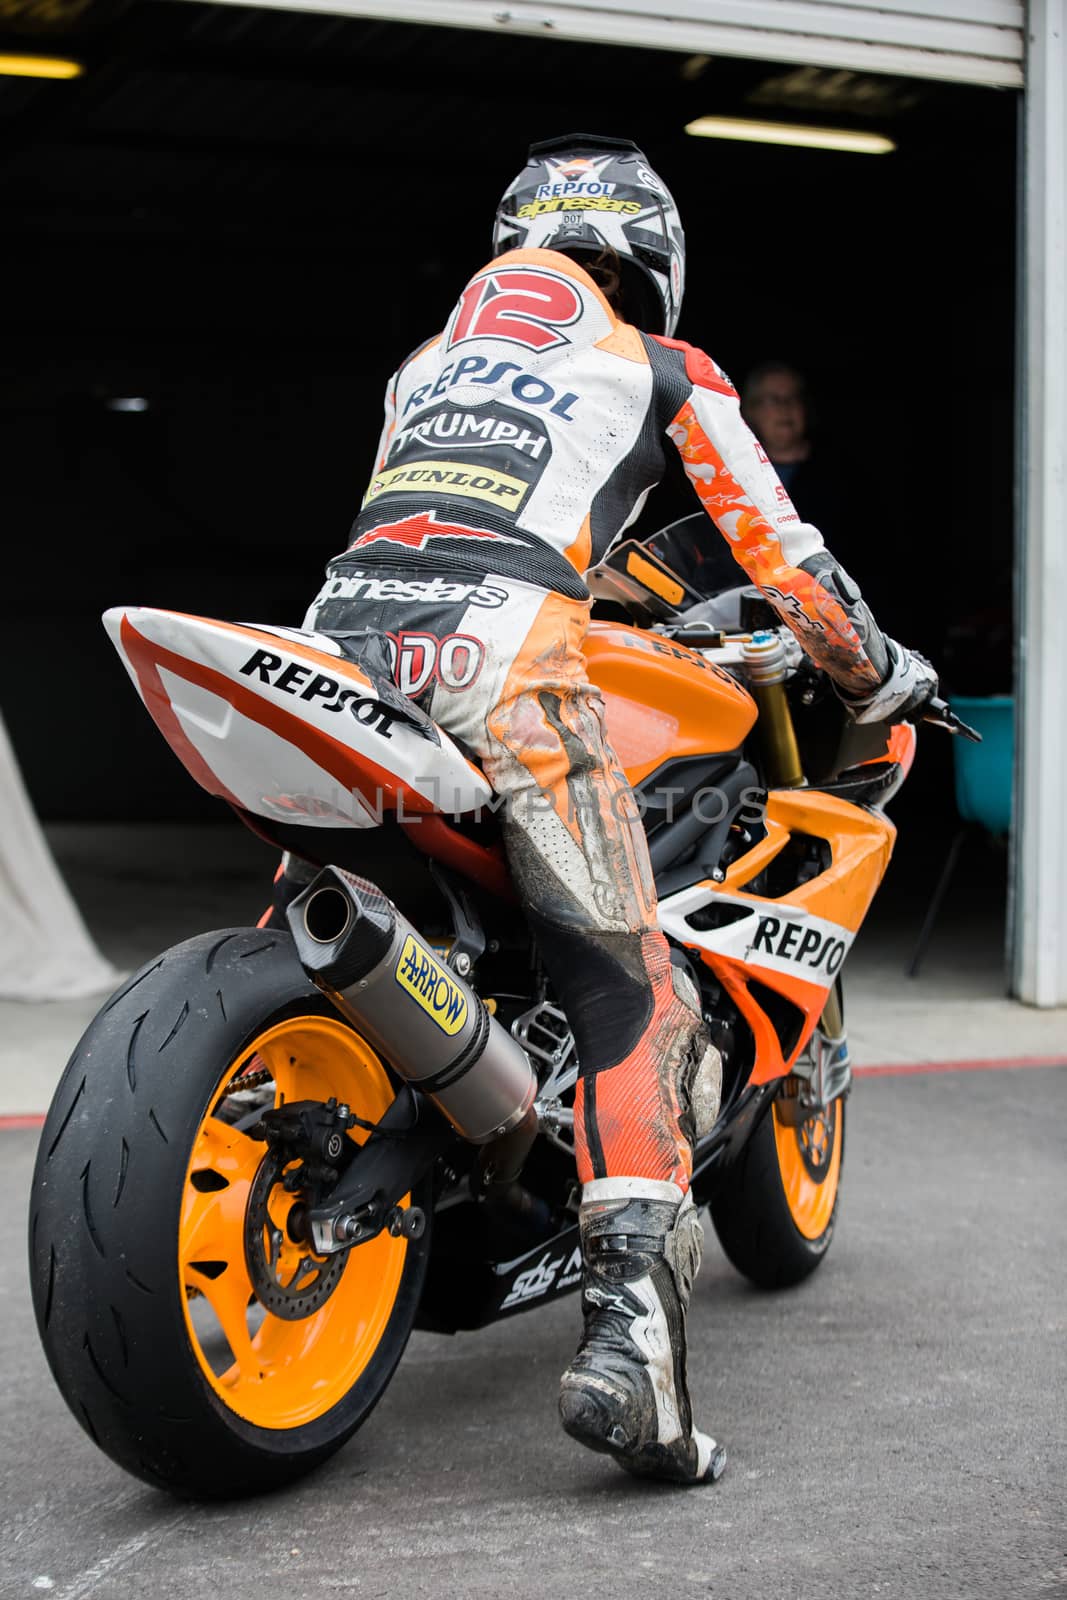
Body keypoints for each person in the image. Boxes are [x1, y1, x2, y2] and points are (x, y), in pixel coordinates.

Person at [275, 134, 938, 1486]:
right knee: (630, 982)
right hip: (504, 662)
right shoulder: (663, 368)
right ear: (651, 264)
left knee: (323, 892)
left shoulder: (425, 366)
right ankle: (632, 1360)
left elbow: (437, 521)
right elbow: (790, 568)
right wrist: (874, 674)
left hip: (335, 647)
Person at [741, 361, 844, 546]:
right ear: (751, 410)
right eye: (773, 399)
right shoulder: (737, 472)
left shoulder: (841, 474)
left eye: (793, 398)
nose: (785, 407)